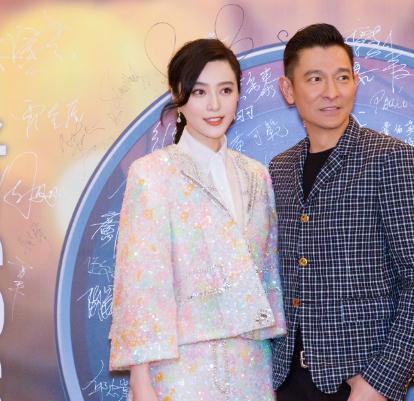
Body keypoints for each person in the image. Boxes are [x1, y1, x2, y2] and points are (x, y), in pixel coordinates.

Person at [269, 24, 414, 401]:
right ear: (288, 89)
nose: (331, 92)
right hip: (286, 381)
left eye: (342, 77)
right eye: (315, 79)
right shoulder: (279, 168)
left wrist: (379, 382)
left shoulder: (392, 159)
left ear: (356, 82)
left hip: (358, 384)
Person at [108, 38, 286, 401]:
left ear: (238, 95)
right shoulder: (153, 173)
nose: (215, 105)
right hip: (180, 368)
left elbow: (268, 272)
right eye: (200, 92)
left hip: (252, 363)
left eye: (226, 90)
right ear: (179, 95)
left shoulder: (256, 175)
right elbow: (142, 281)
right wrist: (141, 379)